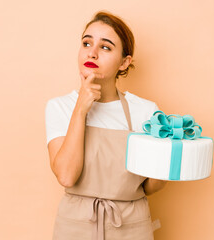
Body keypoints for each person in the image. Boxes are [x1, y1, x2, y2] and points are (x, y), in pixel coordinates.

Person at [45, 11, 167, 240]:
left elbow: (151, 187)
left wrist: (168, 160)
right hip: (75, 226)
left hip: (131, 226)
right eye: (86, 43)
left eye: (106, 47)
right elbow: (66, 177)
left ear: (124, 62)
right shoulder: (59, 107)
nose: (92, 52)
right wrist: (81, 108)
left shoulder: (146, 111)